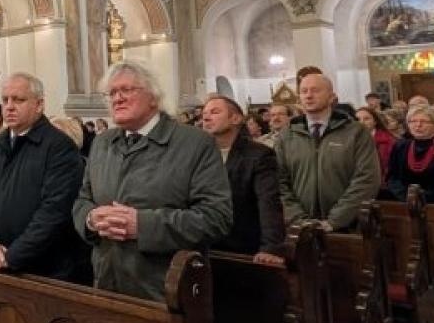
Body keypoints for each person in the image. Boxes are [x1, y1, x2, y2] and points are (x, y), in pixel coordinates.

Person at [76, 62, 233, 300]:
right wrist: (90, 219)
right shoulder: (102, 143)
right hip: (107, 283)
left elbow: (216, 218)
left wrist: (143, 225)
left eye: (126, 90)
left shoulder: (195, 144)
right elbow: (83, 199)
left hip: (165, 289)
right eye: (111, 93)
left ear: (153, 96)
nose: (117, 99)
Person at [0, 73, 90, 283]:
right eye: (5, 100)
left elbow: (54, 211)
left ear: (39, 104)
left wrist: (12, 256)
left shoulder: (59, 147)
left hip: (47, 270)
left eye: (19, 100)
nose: (9, 106)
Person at [273, 73, 381, 231]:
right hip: (299, 229)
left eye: (315, 90)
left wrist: (334, 221)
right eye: (304, 91)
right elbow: (278, 182)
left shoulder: (355, 132)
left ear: (332, 97)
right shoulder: (287, 135)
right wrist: (299, 220)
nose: (308, 95)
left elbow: (367, 179)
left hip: (348, 227)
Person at [201, 95, 285, 264]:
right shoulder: (198, 155)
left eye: (215, 112)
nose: (206, 117)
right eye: (204, 113)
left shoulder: (259, 154)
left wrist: (270, 248)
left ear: (236, 118)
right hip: (204, 245)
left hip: (241, 246)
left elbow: (268, 202)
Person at [356, 107, 397, 178]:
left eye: (366, 119)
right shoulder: (350, 141)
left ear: (375, 121)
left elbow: (391, 168)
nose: (361, 122)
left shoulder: (389, 141)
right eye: (357, 119)